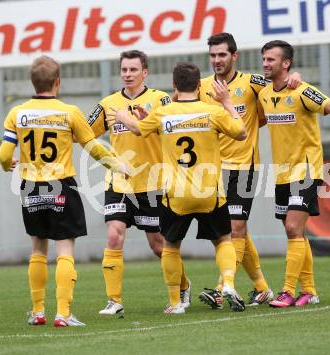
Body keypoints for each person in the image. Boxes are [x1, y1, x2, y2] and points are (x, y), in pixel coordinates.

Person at [0, 55, 127, 327]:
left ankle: (38, 311)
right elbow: (93, 147)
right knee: (65, 249)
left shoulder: (17, 113)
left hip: (31, 187)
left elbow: (4, 153)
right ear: (58, 81)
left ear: (33, 82)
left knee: (38, 249)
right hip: (61, 186)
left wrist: (6, 164)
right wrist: (116, 165)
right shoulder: (70, 112)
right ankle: (63, 313)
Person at [109, 62, 248, 313]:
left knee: (171, 246)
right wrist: (227, 102)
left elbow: (139, 129)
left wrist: (123, 117)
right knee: (223, 240)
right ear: (198, 85)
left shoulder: (164, 113)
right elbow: (241, 133)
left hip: (176, 195)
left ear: (174, 85)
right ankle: (227, 282)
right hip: (210, 193)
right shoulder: (212, 111)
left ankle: (175, 303)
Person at [198, 33, 302, 308]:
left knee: (236, 227)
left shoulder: (252, 82)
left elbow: (280, 85)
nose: (217, 60)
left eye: (222, 54)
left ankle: (223, 289)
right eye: (213, 55)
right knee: (228, 232)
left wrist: (296, 77)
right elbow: (179, 104)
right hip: (211, 170)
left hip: (243, 168)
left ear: (234, 56)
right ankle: (262, 287)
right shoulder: (201, 86)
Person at [87, 50, 190, 316]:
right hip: (119, 182)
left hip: (153, 184)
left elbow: (179, 128)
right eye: (124, 70)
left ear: (145, 72)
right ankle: (114, 300)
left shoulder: (160, 99)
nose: (128, 75)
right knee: (113, 235)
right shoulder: (108, 104)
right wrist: (108, 160)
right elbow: (85, 134)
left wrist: (149, 124)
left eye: (133, 70)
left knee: (158, 245)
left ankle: (183, 286)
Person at [258, 40, 330, 307]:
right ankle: (310, 291)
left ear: (286, 63)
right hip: (281, 174)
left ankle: (288, 291)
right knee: (296, 233)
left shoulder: (302, 91)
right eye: (264, 59)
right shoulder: (264, 92)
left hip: (305, 170)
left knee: (293, 228)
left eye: (271, 59)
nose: (266, 64)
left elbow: (329, 105)